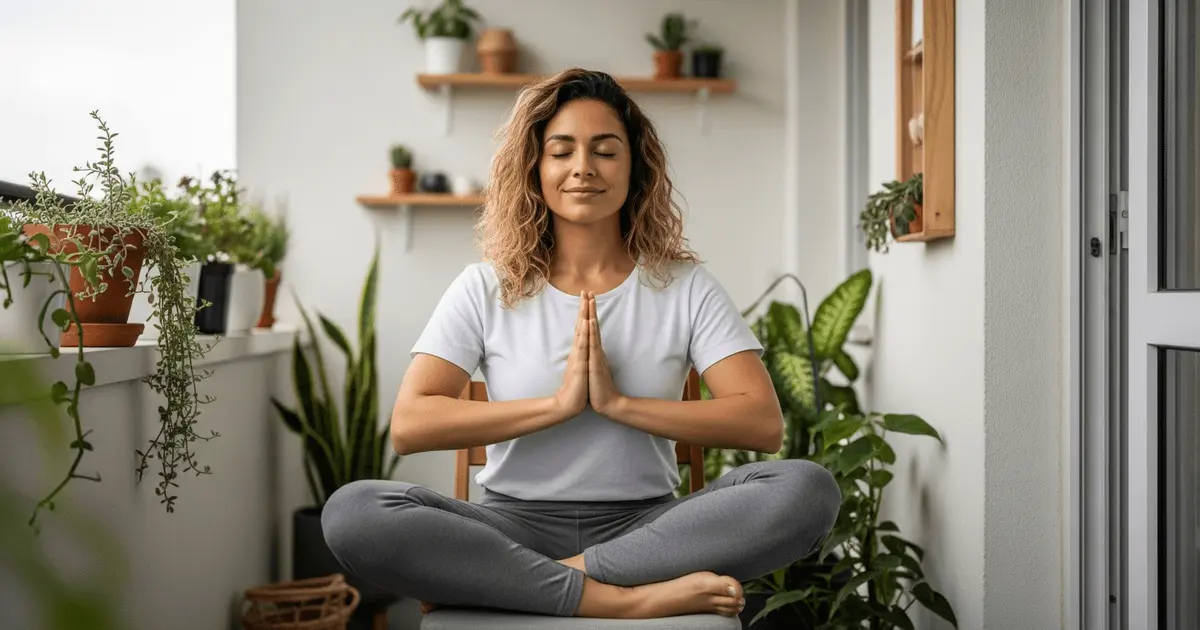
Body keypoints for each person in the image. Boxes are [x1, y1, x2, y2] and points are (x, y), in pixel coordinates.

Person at [321, 68, 840, 620]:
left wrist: (620, 406)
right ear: (535, 168)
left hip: (647, 532)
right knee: (352, 511)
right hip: (509, 529)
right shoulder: (485, 286)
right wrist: (557, 407)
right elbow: (411, 424)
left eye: (605, 151)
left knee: (807, 489)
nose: (583, 168)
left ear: (635, 167)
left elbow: (760, 424)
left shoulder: (683, 285)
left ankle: (559, 579)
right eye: (561, 150)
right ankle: (627, 601)